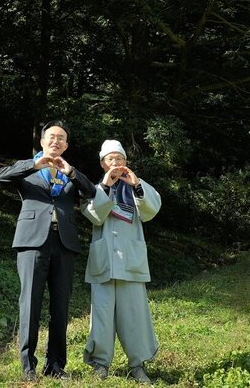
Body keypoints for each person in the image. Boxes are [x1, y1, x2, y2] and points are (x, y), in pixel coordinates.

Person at [0, 121, 107, 381]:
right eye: (52, 137)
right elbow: (1, 175)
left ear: (66, 145)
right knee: (30, 304)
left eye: (61, 138)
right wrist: (35, 165)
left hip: (64, 244)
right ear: (43, 141)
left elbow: (91, 191)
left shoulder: (69, 172)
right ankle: (28, 366)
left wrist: (70, 172)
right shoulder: (29, 169)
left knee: (60, 307)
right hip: (32, 243)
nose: (56, 141)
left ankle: (55, 366)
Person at [82, 140, 162, 384]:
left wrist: (135, 184)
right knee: (102, 316)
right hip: (104, 261)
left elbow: (151, 210)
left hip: (131, 261)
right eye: (110, 160)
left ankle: (137, 364)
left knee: (134, 314)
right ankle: (100, 363)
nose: (115, 163)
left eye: (120, 159)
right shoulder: (96, 188)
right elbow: (94, 215)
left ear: (126, 162)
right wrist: (106, 186)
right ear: (102, 164)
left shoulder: (139, 186)